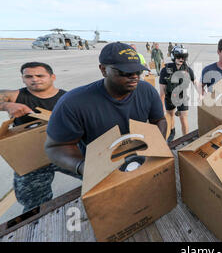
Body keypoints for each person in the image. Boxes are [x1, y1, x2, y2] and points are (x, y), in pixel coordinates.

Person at [44, 42, 167, 176]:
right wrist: (82, 167)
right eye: (125, 72)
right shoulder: (73, 103)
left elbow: (159, 120)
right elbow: (55, 147)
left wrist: (156, 146)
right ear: (103, 70)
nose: (135, 76)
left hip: (140, 161)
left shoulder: (147, 91)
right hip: (100, 168)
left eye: (138, 71)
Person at [0, 62, 78, 213]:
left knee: (97, 177)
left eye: (40, 75)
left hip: (64, 152)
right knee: (34, 205)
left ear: (52, 77)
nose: (34, 79)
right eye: (28, 76)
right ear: (23, 79)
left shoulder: (67, 97)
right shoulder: (16, 96)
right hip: (32, 159)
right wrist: (7, 106)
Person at [159, 46, 201, 142]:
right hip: (169, 97)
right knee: (170, 115)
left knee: (183, 117)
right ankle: (172, 130)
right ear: (174, 56)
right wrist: (162, 107)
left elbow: (196, 82)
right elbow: (162, 91)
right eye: (179, 56)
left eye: (183, 57)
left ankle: (186, 139)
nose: (181, 59)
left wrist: (201, 94)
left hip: (182, 97)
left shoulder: (187, 69)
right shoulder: (165, 70)